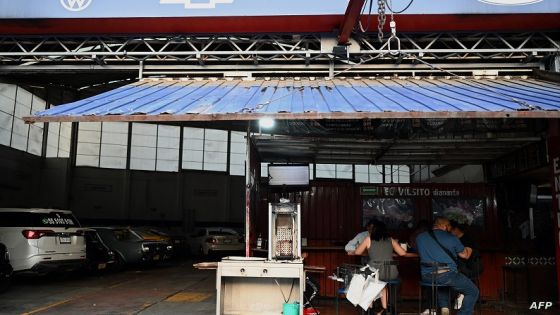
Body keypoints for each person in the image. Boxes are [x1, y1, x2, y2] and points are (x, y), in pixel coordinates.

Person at [350, 220, 417, 315]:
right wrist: (416, 254)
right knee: (382, 284)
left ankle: (370, 309)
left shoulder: (368, 239)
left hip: (375, 271)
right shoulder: (391, 240)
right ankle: (385, 309)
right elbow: (403, 253)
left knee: (369, 283)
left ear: (373, 230)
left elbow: (357, 252)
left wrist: (368, 252)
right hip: (391, 272)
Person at [416, 217, 479, 315]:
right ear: (445, 226)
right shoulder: (452, 238)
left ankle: (444, 309)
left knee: (441, 285)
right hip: (446, 275)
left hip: (426, 276)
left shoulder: (420, 237)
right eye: (449, 226)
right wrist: (469, 245)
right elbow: (465, 255)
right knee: (473, 291)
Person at [449, 220, 483, 309]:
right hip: (462, 266)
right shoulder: (456, 239)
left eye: (451, 230)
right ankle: (459, 296)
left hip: (472, 266)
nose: (449, 232)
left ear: (456, 229)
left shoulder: (467, 239)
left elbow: (466, 256)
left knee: (452, 272)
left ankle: (462, 294)